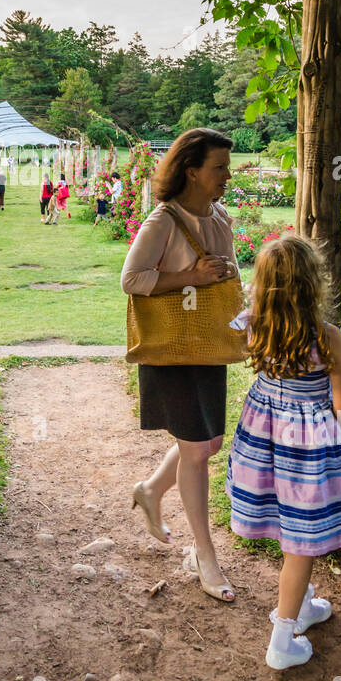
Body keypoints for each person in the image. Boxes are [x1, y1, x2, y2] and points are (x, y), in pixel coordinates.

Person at [225, 233, 341, 670]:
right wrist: (337, 441)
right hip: (307, 448)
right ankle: (282, 639)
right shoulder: (326, 336)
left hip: (262, 441)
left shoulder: (253, 324)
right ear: (315, 283)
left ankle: (304, 605)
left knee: (289, 526)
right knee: (302, 540)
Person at [121, 129, 239, 602]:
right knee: (195, 450)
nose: (228, 176)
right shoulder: (164, 220)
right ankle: (204, 556)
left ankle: (150, 490)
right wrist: (192, 276)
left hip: (208, 342)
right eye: (220, 167)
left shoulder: (221, 216)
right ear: (192, 170)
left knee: (208, 442)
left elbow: (223, 276)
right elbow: (131, 278)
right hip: (171, 348)